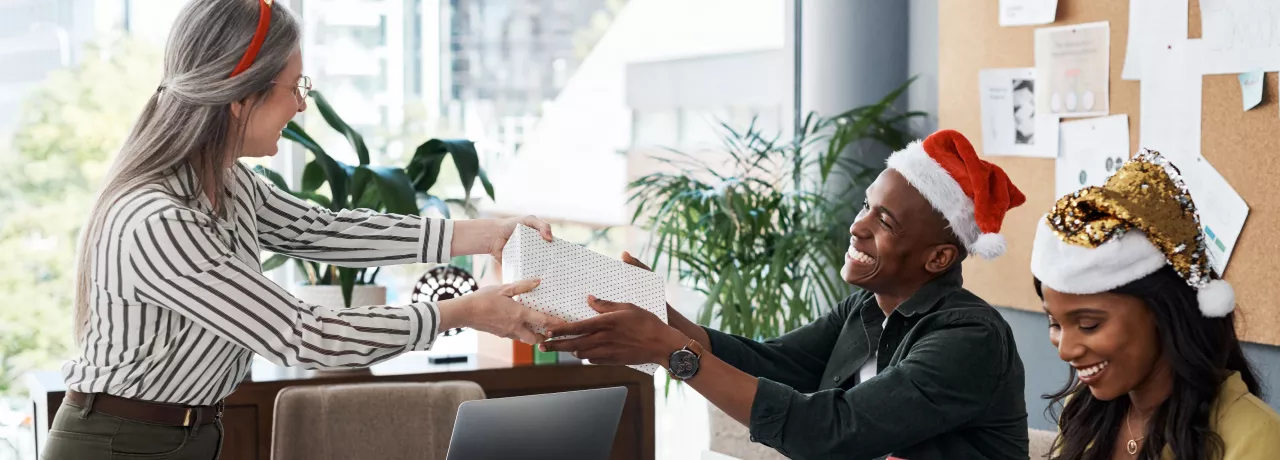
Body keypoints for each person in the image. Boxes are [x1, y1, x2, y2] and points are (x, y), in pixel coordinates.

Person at [44, 1, 564, 458]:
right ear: (238, 95)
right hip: (119, 445)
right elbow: (305, 336)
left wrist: (485, 235)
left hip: (187, 435)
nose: (301, 105)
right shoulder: (157, 221)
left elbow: (326, 231)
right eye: (294, 88)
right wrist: (468, 311)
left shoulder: (230, 185)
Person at [544, 130, 1031, 459]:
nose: (857, 226)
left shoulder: (970, 337)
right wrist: (659, 313)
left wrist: (670, 350)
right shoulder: (868, 308)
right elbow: (771, 363)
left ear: (939, 258)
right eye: (867, 205)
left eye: (885, 221)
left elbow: (829, 431)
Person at [1029, 149, 1280, 459]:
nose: (1065, 350)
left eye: (1089, 325)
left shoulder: (1253, 438)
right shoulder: (1083, 412)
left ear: (1165, 312)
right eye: (1054, 323)